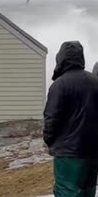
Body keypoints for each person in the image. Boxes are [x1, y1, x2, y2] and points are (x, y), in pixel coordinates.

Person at [43, 41, 98, 197]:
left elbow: (51, 118)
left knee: (67, 191)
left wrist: (49, 140)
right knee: (88, 191)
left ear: (61, 59)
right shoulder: (95, 82)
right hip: (93, 151)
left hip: (68, 153)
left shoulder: (60, 85)